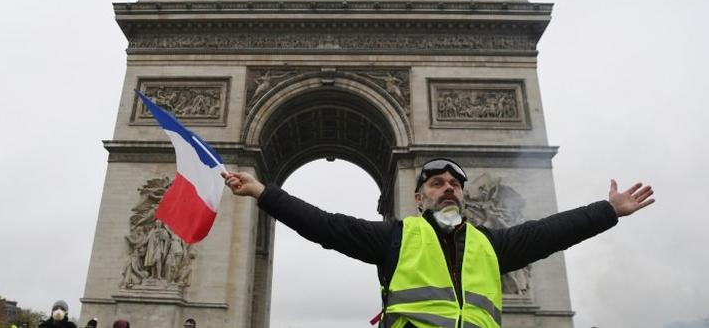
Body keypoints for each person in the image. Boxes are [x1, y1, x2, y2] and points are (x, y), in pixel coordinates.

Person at [222, 157, 655, 328]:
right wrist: (262, 191)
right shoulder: (394, 238)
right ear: (417, 197)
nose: (447, 188)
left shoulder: (492, 245)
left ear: (464, 196)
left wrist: (608, 210)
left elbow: (549, 233)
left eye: (454, 184)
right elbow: (324, 225)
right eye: (435, 183)